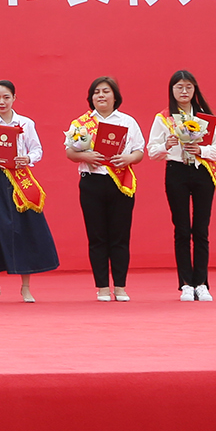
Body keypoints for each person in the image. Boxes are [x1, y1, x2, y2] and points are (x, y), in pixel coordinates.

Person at [0, 79, 57, 303]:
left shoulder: (26, 123)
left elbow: (37, 149)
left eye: (6, 97)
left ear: (14, 98)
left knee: (23, 231)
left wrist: (28, 159)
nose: (1, 101)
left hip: (19, 182)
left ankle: (25, 287)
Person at [64, 75, 145, 302]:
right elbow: (69, 152)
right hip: (92, 183)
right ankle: (101, 287)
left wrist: (129, 158)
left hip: (120, 183)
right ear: (91, 98)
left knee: (120, 236)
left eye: (106, 91)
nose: (101, 95)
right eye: (96, 92)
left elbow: (139, 151)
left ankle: (120, 286)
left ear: (115, 96)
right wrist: (85, 156)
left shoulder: (128, 121)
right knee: (97, 236)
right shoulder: (81, 123)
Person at [148, 69, 216, 302]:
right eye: (179, 87)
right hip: (176, 172)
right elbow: (151, 151)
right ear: (172, 90)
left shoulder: (204, 117)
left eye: (188, 87)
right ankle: (185, 283)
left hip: (202, 172)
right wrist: (166, 145)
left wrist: (201, 150)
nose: (184, 91)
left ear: (194, 90)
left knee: (201, 229)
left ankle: (201, 283)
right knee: (182, 229)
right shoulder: (164, 118)